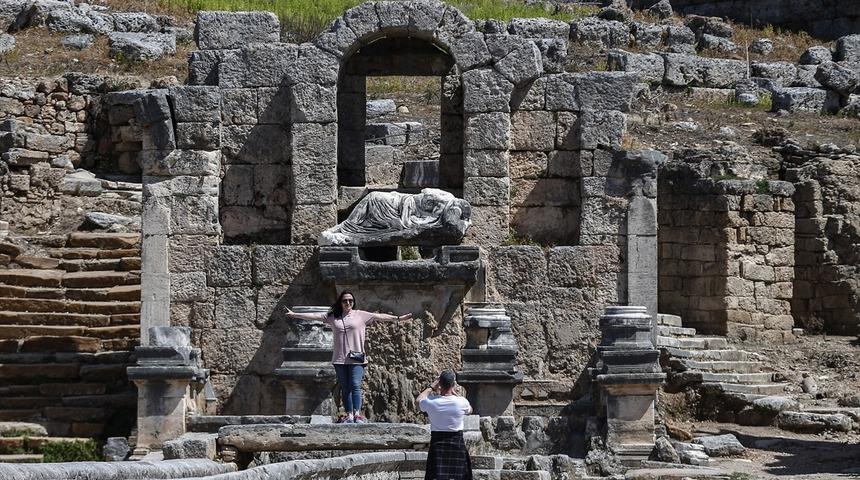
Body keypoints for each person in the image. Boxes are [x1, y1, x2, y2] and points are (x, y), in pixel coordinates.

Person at [285, 290, 413, 424]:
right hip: (339, 359)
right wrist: (295, 315)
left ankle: (357, 414)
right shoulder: (333, 316)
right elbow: (315, 315)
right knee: (345, 388)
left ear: (353, 302)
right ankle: (349, 414)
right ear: (340, 302)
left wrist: (398, 318)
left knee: (355, 385)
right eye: (345, 300)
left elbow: (379, 316)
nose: (348, 303)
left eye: (350, 300)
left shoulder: (361, 315)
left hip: (357, 358)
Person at [416, 370, 473, 480]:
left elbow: (418, 401)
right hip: (457, 445)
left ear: (439, 384)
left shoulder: (431, 402)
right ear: (453, 384)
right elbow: (470, 410)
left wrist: (431, 388)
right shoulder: (462, 402)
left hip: (438, 445)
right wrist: (456, 394)